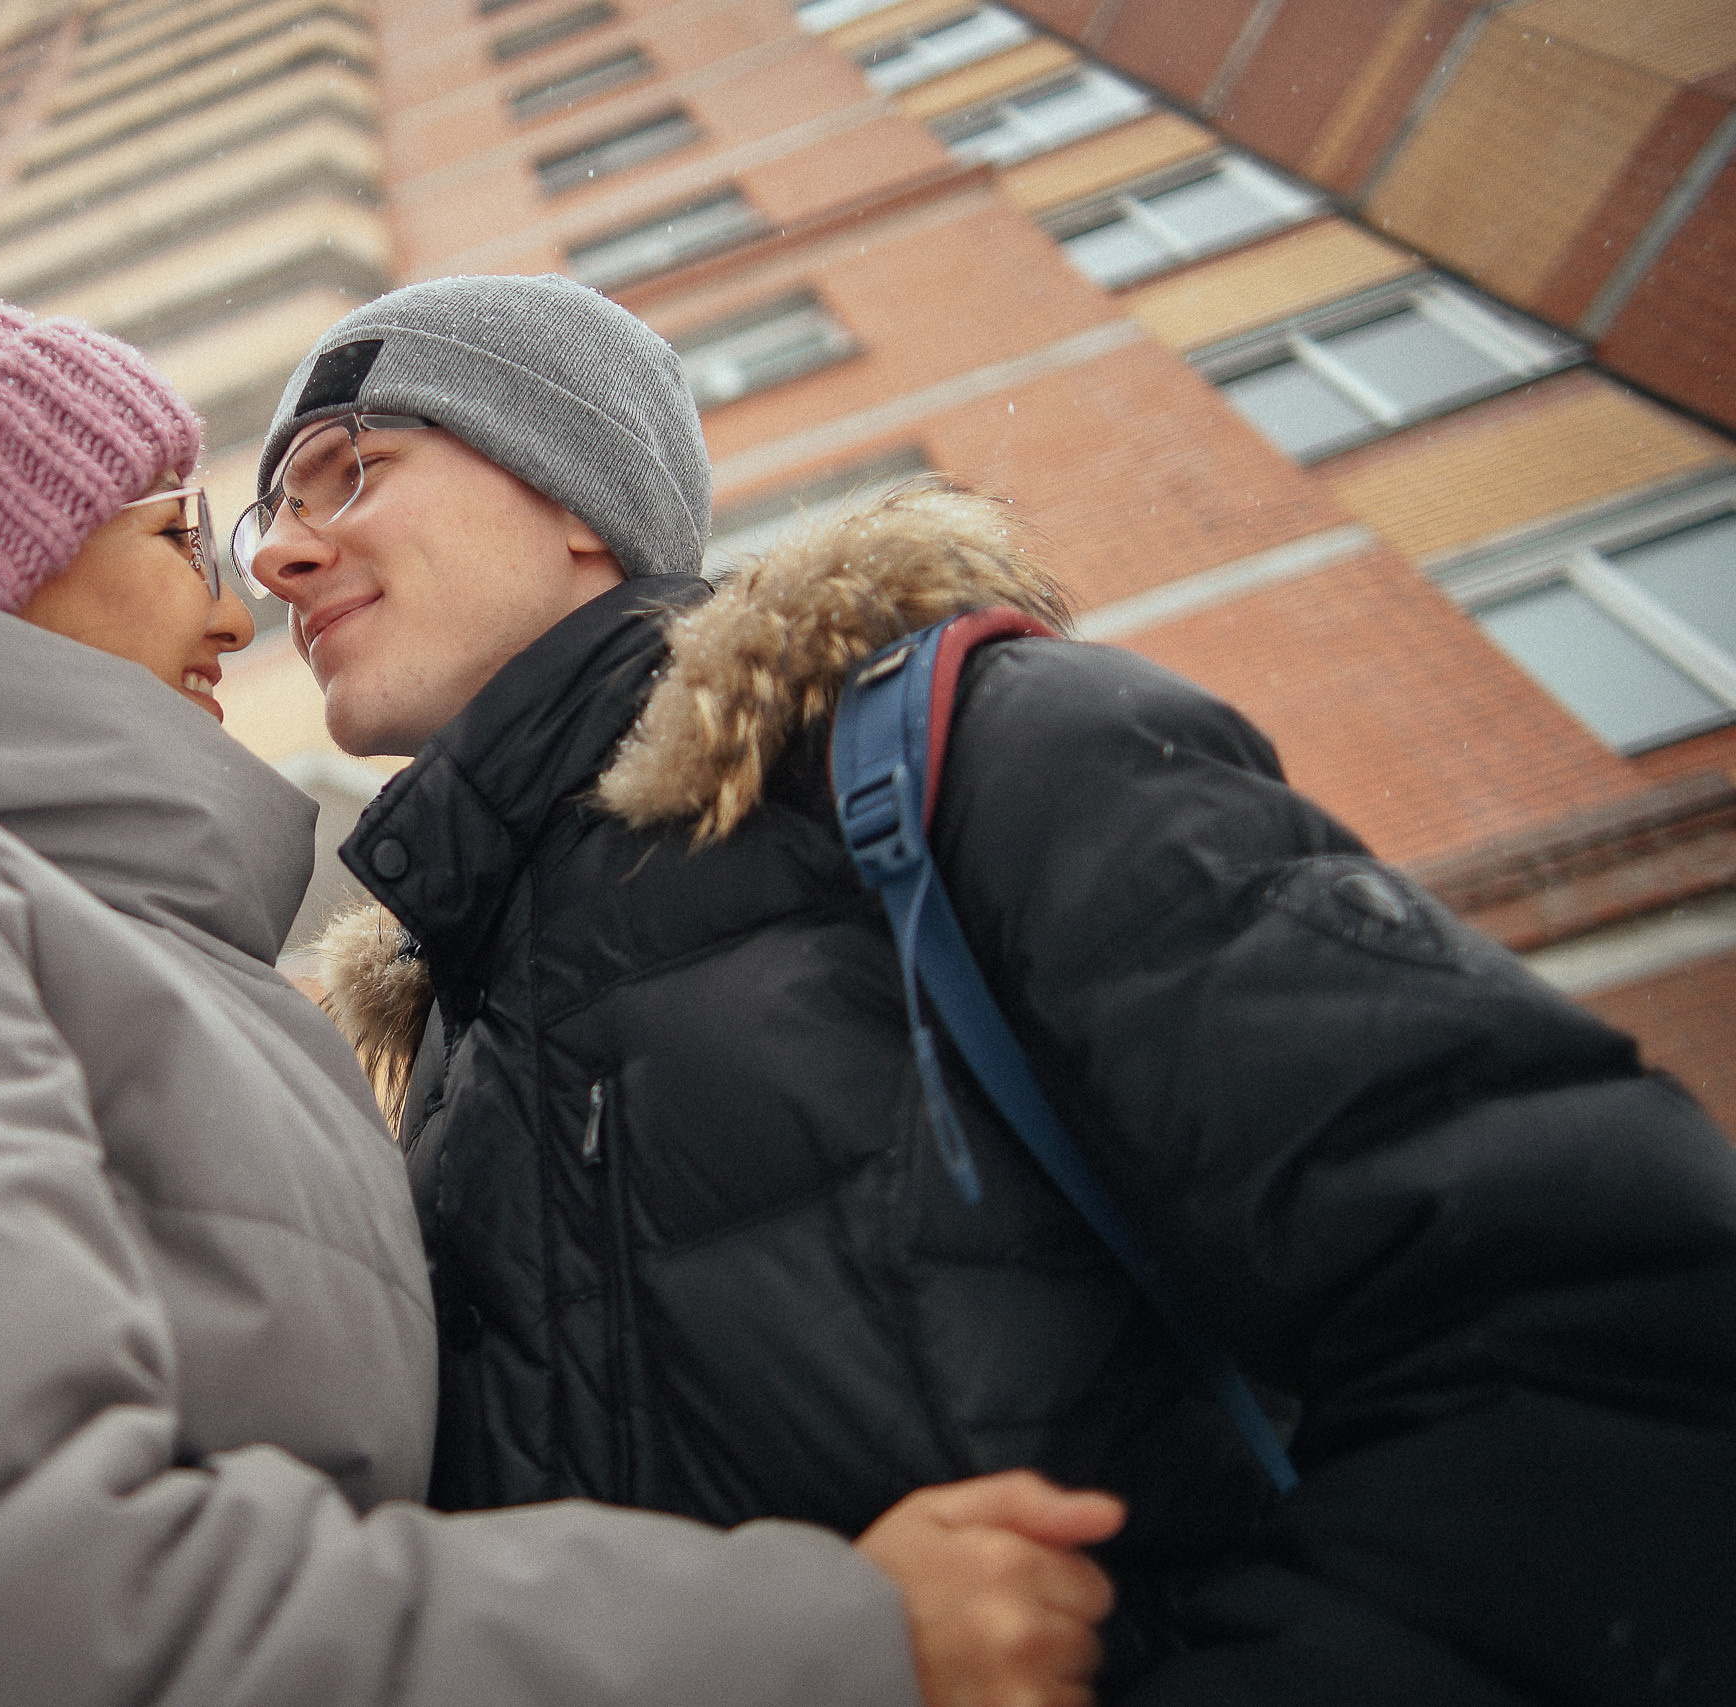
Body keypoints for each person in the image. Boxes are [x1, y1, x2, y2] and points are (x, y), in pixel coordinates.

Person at [0, 265, 1131, 1707]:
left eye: (343, 481)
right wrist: (817, 1643)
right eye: (179, 534)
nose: (246, 598)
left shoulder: (200, 954)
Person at [254, 274, 1736, 1703]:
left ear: (574, 493)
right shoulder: (444, 1039)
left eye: (351, 471)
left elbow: (1600, 1331)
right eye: (274, 511)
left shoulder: (960, 758)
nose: (277, 557)